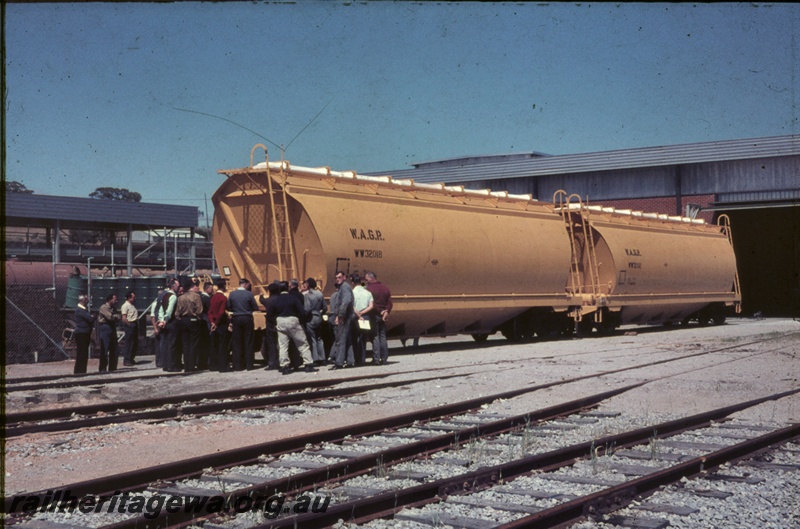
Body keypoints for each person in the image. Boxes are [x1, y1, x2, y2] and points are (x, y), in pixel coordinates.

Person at [267, 282, 315, 375]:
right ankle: (308, 364)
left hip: (280, 320)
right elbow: (301, 311)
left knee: (283, 345)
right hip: (292, 320)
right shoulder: (293, 298)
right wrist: (300, 320)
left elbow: (269, 315)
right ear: (288, 288)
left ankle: (285, 366)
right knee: (302, 343)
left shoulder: (275, 300)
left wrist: (275, 322)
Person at [227, 277, 258, 371]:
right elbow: (255, 307)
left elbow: (229, 307)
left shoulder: (232, 294)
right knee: (248, 341)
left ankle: (237, 365)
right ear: (245, 284)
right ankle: (249, 365)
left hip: (236, 318)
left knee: (237, 342)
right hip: (247, 317)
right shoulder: (249, 294)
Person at [175, 278, 204, 372]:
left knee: (185, 343)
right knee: (193, 344)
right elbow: (199, 310)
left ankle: (186, 365)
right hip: (193, 320)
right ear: (192, 286)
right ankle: (191, 365)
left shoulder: (181, 297)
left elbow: (177, 313)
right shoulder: (196, 296)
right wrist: (198, 318)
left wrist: (180, 319)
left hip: (183, 320)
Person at [366, 271, 393, 365]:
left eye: (367, 279)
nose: (366, 281)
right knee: (383, 337)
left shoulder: (369, 289)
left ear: (372, 278)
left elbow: (372, 304)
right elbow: (390, 303)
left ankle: (376, 358)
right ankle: (384, 358)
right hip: (383, 316)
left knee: (375, 337)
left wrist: (380, 312)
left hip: (374, 315)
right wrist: (386, 312)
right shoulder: (385, 288)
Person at [329, 271, 354, 370]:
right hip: (346, 316)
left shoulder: (344, 287)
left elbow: (346, 301)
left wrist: (341, 315)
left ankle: (339, 363)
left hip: (344, 317)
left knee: (340, 339)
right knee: (347, 339)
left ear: (344, 277)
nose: (337, 279)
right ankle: (350, 361)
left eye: (339, 277)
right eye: (336, 278)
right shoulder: (344, 287)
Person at [157, 278, 181, 372]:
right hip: (171, 323)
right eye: (178, 286)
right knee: (172, 345)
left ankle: (166, 365)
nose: (179, 288)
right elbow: (169, 311)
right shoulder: (173, 296)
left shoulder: (164, 295)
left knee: (166, 344)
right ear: (173, 286)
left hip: (165, 323)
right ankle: (172, 366)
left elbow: (161, 310)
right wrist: (166, 320)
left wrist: (161, 320)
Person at [208, 279, 230, 371]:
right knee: (223, 345)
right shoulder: (223, 298)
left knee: (214, 345)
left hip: (213, 324)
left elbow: (210, 312)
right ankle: (223, 366)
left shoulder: (213, 297)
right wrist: (217, 323)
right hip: (221, 324)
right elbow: (221, 312)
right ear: (224, 286)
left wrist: (212, 323)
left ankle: (213, 365)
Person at [351, 274, 374, 365]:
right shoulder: (368, 293)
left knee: (354, 338)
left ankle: (355, 359)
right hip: (366, 317)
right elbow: (371, 306)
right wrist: (363, 313)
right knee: (363, 339)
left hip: (355, 317)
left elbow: (351, 306)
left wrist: (358, 314)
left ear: (353, 283)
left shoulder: (352, 292)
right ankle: (362, 359)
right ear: (361, 282)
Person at [303, 278, 326, 365]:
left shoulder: (307, 295)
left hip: (311, 318)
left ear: (308, 284)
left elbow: (307, 309)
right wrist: (320, 313)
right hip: (319, 317)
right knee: (319, 338)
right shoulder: (320, 294)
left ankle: (315, 359)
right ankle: (322, 358)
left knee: (312, 339)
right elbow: (324, 307)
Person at [259, 281, 281, 370]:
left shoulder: (268, 301)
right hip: (280, 324)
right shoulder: (281, 300)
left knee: (271, 344)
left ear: (269, 291)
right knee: (282, 345)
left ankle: (272, 363)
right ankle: (282, 362)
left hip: (270, 325)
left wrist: (260, 295)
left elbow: (262, 300)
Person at [96, 293, 121, 372]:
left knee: (114, 348)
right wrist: (115, 317)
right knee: (105, 348)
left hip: (112, 328)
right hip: (105, 327)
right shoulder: (103, 307)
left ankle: (112, 367)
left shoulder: (114, 308)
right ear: (110, 299)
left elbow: (118, 317)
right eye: (114, 299)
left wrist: (115, 317)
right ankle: (102, 368)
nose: (116, 301)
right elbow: (110, 317)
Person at [72, 294, 95, 374]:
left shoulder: (83, 310)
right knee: (81, 352)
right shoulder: (80, 310)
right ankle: (79, 371)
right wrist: (92, 316)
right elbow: (90, 319)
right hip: (81, 333)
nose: (88, 301)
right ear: (83, 300)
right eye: (87, 299)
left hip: (85, 333)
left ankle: (82, 370)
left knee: (83, 352)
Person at [120, 290, 139, 367]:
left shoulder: (132, 305)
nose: (134, 298)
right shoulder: (125, 306)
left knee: (134, 343)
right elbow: (124, 317)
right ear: (129, 298)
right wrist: (129, 325)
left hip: (134, 324)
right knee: (129, 343)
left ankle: (131, 358)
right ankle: (127, 359)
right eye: (133, 297)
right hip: (130, 325)